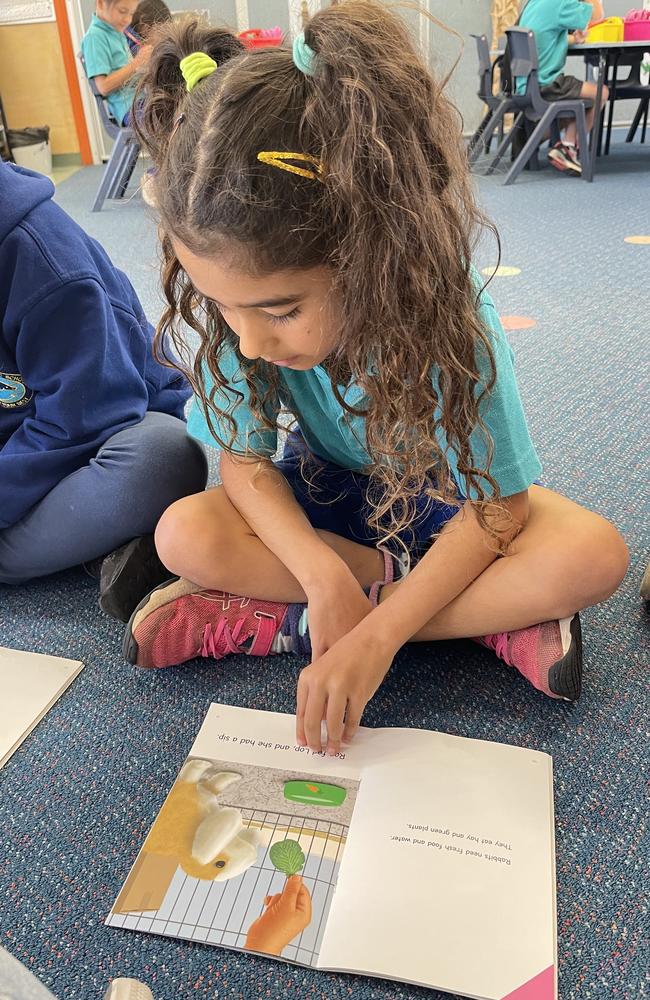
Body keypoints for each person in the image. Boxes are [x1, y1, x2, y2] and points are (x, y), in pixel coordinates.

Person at [123, 3, 628, 753]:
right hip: (330, 502)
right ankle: (474, 623)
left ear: (367, 254)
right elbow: (246, 465)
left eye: (282, 310)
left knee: (594, 555)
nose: (250, 341)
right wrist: (322, 576)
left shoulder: (447, 314)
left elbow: (497, 507)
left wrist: (380, 634)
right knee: (183, 532)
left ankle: (294, 627)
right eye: (227, 310)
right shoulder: (241, 311)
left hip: (443, 502)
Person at [0, 161, 207, 619]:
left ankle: (76, 542)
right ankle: (93, 548)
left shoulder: (37, 258)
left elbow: (86, 417)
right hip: (22, 450)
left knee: (164, 459)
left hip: (104, 428)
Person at [517, 0, 608, 174]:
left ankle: (537, 139)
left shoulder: (534, 3)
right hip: (547, 83)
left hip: (527, 83)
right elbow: (597, 16)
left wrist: (574, 38)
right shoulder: (561, 3)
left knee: (578, 98)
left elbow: (545, 34)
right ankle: (568, 148)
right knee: (601, 93)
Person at [81, 0, 151, 126]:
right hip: (129, 108)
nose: (127, 20)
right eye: (122, 11)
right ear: (101, 4)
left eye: (131, 14)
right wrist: (136, 64)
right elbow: (104, 87)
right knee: (170, 124)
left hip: (141, 100)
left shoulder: (116, 31)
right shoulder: (95, 37)